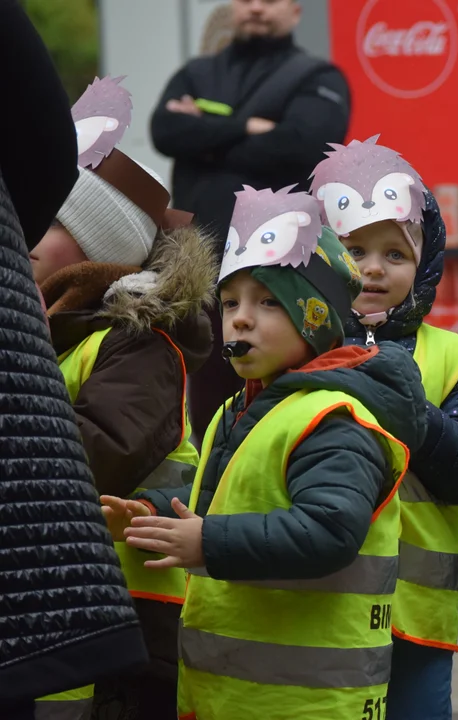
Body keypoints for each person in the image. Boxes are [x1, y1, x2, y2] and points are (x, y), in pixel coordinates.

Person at [101, 186, 427, 719]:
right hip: (234, 695)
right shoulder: (242, 408)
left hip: (307, 703)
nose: (241, 320)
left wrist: (207, 542)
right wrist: (156, 514)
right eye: (230, 303)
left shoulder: (333, 419)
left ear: (317, 316)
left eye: (269, 302)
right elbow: (228, 495)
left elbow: (329, 531)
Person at [29, 75, 216, 720]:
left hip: (125, 634)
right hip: (57, 616)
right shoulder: (47, 329)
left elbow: (95, 453)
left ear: (97, 249)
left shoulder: (140, 345)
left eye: (45, 220)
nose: (21, 232)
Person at [310, 138, 458, 719]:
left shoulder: (451, 355)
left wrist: (415, 418)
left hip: (415, 618)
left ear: (423, 262)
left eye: (395, 254)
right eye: (355, 249)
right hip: (321, 605)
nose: (373, 268)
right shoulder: (295, 348)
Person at [0, 3, 147, 718]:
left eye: (55, 229)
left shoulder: (134, 340)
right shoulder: (43, 335)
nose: (31, 242)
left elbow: (112, 441)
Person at [150, 0, 352, 444]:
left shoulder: (318, 77)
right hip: (196, 267)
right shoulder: (197, 73)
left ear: (296, 10)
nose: (256, 7)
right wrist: (253, 128)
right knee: (199, 400)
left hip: (280, 275)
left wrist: (206, 134)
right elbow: (165, 132)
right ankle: (206, 490)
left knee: (275, 394)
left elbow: (303, 145)